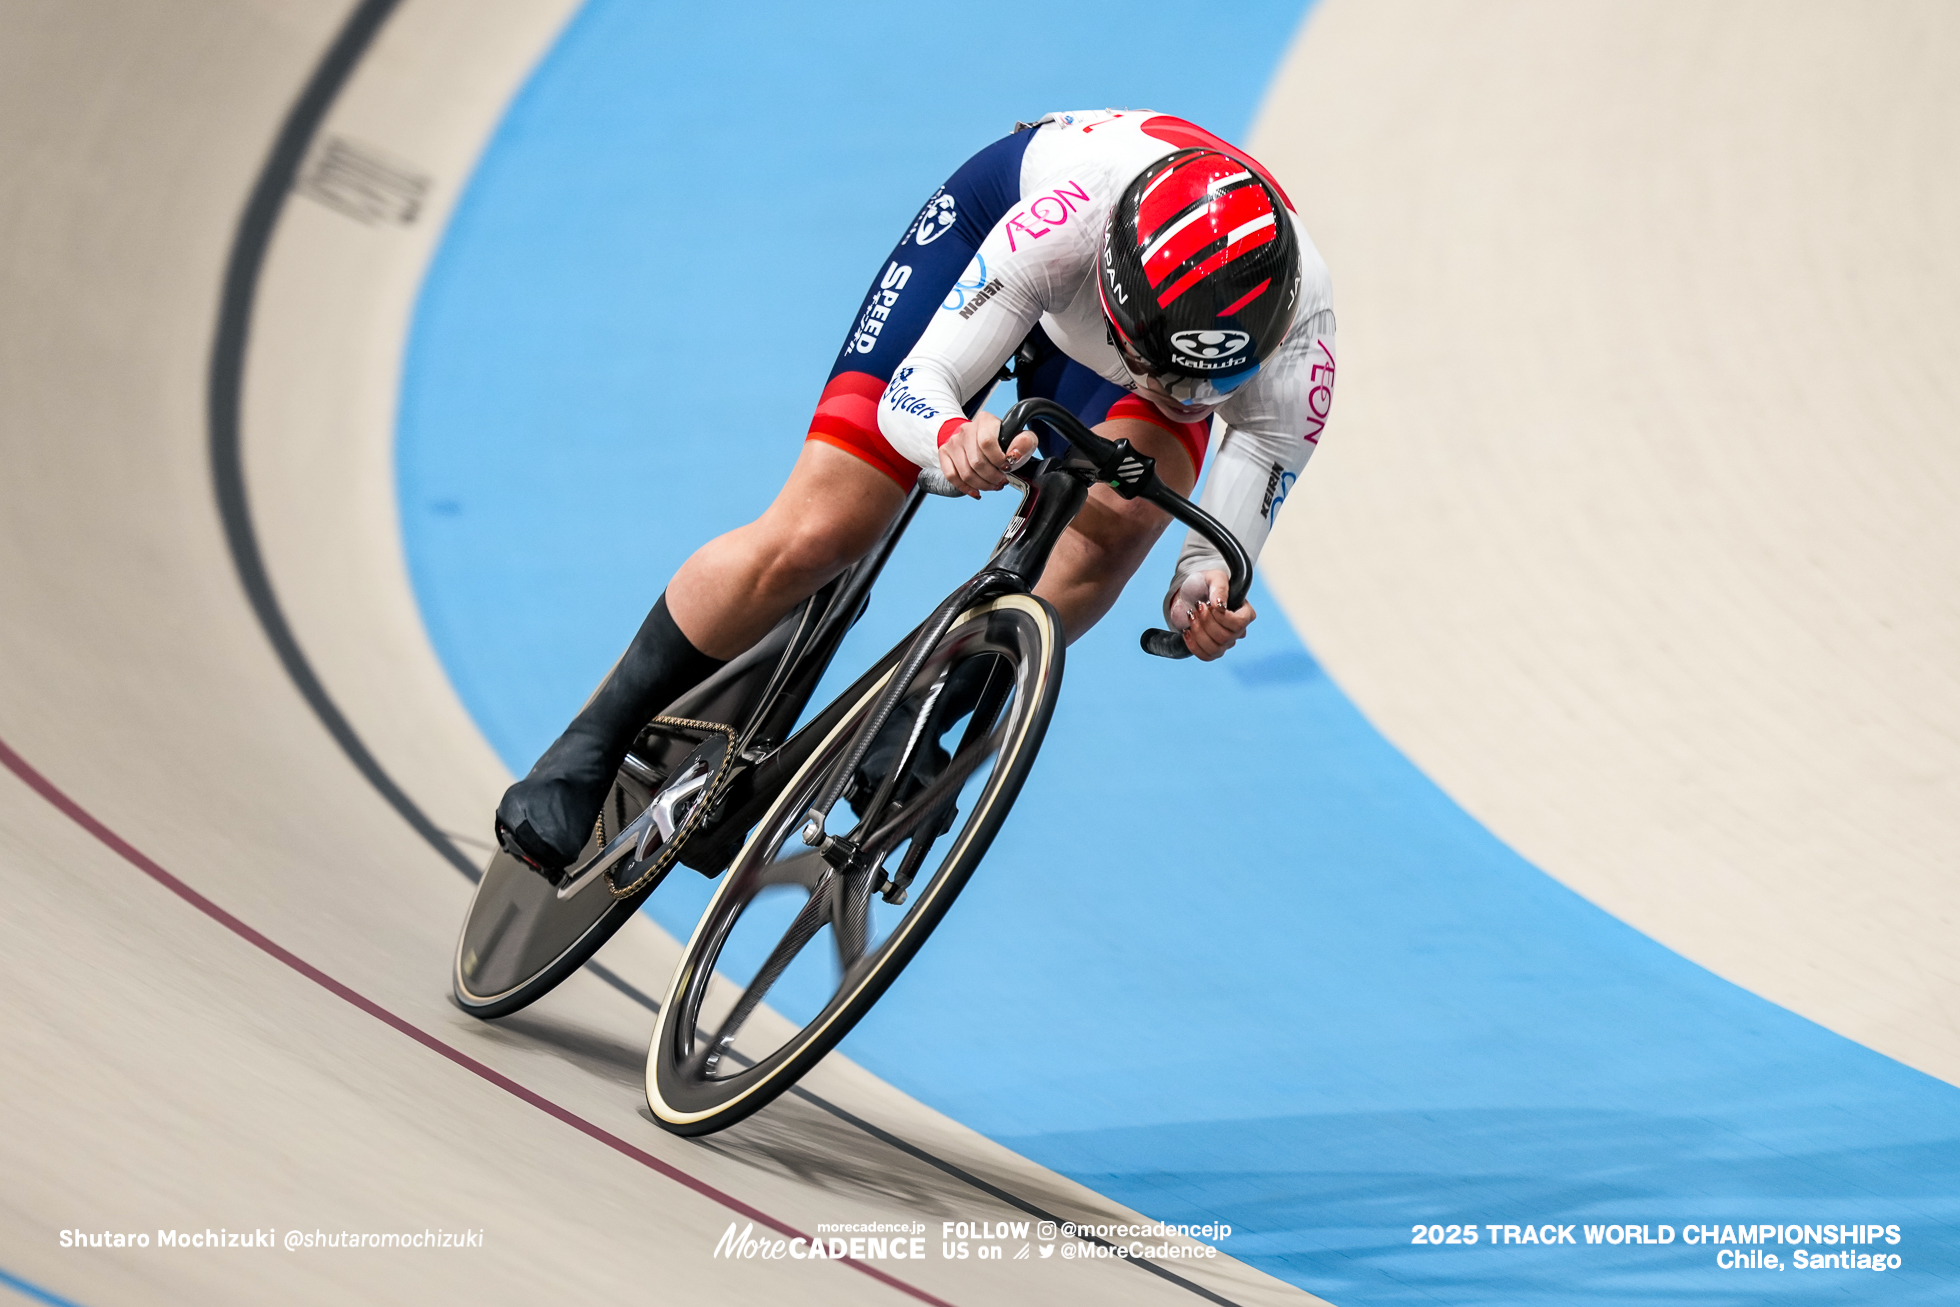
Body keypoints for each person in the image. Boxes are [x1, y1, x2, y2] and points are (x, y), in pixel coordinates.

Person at [496, 109, 1337, 881]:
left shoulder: (1300, 353)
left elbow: (1222, 536)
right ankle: (588, 743)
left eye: (1202, 384)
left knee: (1117, 522)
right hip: (1004, 240)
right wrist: (948, 437)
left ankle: (933, 701)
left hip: (1144, 307)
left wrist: (1203, 594)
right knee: (824, 525)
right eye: (1160, 367)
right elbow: (920, 384)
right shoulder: (1058, 230)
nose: (1173, 388)